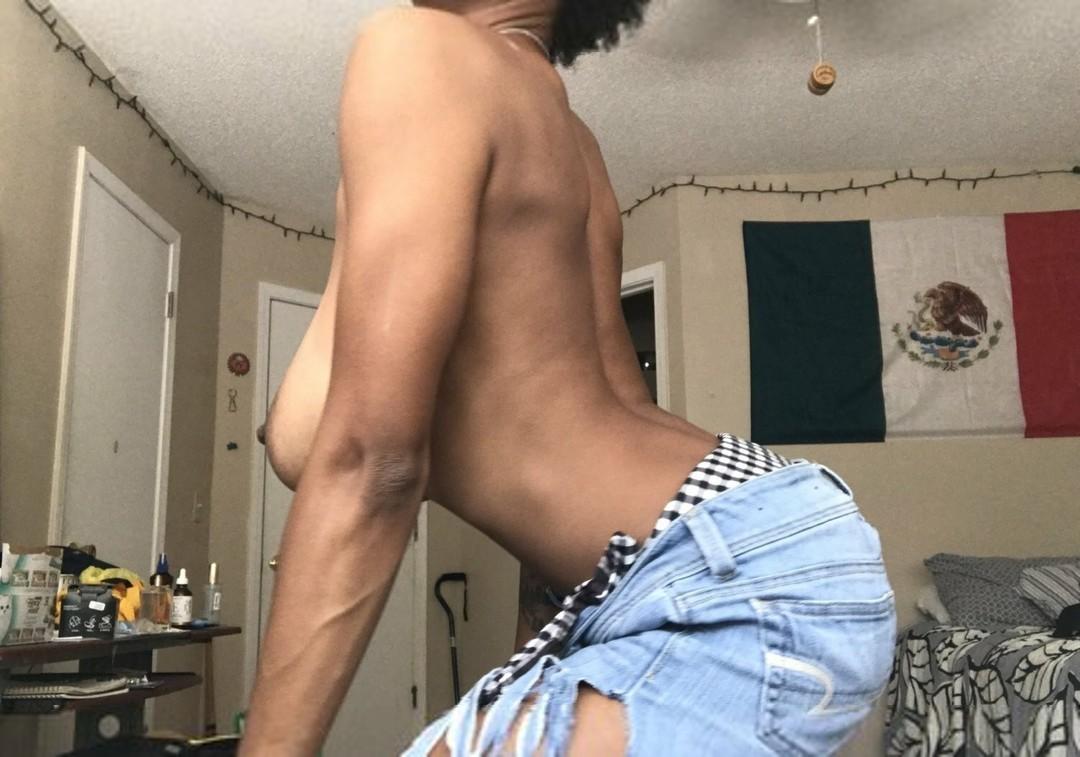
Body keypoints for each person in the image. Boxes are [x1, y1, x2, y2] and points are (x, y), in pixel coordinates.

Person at [242, 1, 896, 755]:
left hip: (730, 577)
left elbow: (374, 462)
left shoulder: (421, 51)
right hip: (750, 544)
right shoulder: (571, 141)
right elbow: (581, 468)